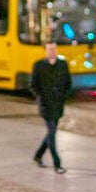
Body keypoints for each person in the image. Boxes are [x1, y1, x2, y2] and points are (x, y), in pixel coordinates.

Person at [30, 42, 72, 174]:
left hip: (58, 105)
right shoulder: (38, 65)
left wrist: (63, 97)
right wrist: (41, 98)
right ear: (45, 51)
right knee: (52, 133)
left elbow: (68, 83)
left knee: (50, 133)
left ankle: (38, 155)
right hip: (46, 106)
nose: (52, 51)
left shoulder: (63, 65)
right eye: (50, 49)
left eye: (54, 49)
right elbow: (33, 85)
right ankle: (57, 163)